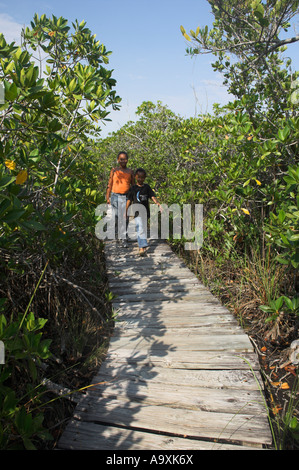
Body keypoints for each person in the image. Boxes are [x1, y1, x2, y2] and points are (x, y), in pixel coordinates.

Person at [126, 168, 162, 256]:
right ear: (135, 177)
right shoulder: (133, 188)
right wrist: (125, 211)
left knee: (143, 229)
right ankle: (142, 247)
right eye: (138, 177)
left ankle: (143, 246)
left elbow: (152, 196)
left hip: (145, 212)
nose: (140, 179)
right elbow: (129, 200)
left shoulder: (147, 187)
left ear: (145, 178)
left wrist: (158, 203)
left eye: (142, 178)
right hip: (137, 212)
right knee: (140, 228)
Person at [106, 152, 134, 246]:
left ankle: (123, 238)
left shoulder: (130, 171)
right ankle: (119, 233)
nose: (123, 161)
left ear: (127, 160)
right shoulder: (114, 170)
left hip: (126, 197)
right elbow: (110, 183)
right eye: (121, 159)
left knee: (124, 217)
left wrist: (134, 198)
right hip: (115, 196)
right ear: (118, 160)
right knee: (117, 216)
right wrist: (107, 196)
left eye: (125, 159)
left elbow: (133, 185)